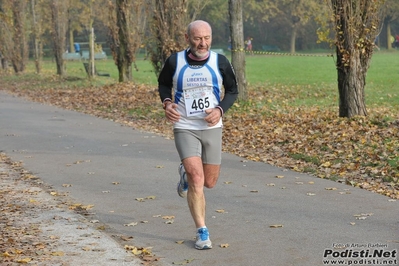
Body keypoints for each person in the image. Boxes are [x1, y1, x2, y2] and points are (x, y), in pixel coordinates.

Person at [158, 20, 238, 250]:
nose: (202, 43)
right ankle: (202, 231)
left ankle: (185, 175)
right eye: (197, 38)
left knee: (210, 182)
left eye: (207, 38)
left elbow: (233, 91)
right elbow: (163, 84)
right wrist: (167, 103)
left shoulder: (219, 61)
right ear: (187, 38)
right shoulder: (175, 61)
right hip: (184, 124)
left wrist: (220, 109)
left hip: (211, 126)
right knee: (197, 178)